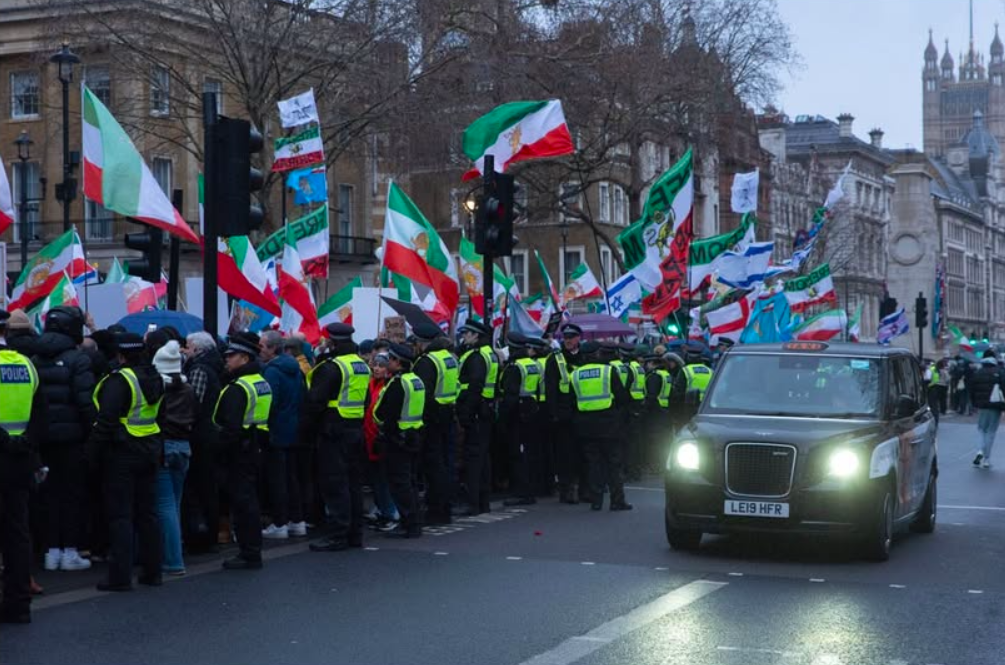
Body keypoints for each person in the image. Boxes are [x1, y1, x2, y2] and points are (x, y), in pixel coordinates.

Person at [91, 332, 165, 591]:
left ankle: (120, 576)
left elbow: (106, 420)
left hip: (121, 451)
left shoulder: (119, 380)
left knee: (121, 516)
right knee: (148, 514)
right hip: (150, 448)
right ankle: (153, 571)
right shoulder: (155, 377)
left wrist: (92, 453)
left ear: (120, 354)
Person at [33, 305, 96, 573]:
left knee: (47, 496)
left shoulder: (34, 359)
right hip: (72, 439)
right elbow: (85, 402)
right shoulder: (78, 359)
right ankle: (69, 550)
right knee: (71, 495)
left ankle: (51, 551)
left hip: (42, 439)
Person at [304, 323, 370, 552]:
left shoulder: (332, 367)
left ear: (331, 341)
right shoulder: (361, 365)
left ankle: (338, 535)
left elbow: (315, 402)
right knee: (353, 484)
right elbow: (367, 400)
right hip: (355, 430)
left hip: (333, 432)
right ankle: (354, 534)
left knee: (335, 485)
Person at [0, 310, 47, 623]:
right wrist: (24, 444)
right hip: (19, 462)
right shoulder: (27, 365)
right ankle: (18, 604)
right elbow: (41, 418)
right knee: (17, 534)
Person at [214, 332, 272, 569]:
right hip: (256, 447)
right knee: (250, 502)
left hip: (240, 451)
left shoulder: (238, 387)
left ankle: (248, 552)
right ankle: (251, 549)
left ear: (245, 358)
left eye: (232, 355)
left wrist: (219, 451)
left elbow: (230, 428)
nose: (227, 359)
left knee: (243, 503)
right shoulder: (260, 381)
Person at [152, 340, 197, 576]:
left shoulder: (159, 388)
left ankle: (172, 559)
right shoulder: (188, 388)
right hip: (183, 447)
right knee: (175, 504)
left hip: (164, 447)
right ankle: (175, 549)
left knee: (164, 505)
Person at [570, 342, 632, 512]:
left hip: (586, 426)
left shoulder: (575, 374)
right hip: (609, 424)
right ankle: (617, 501)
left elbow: (571, 401)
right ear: (597, 354)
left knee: (593, 464)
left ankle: (596, 501)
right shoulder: (608, 371)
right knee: (614, 463)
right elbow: (622, 397)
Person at [374, 343, 427, 538]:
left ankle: (410, 523)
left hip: (397, 439)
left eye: (390, 360)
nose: (387, 363)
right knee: (410, 482)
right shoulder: (416, 380)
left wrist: (384, 431)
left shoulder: (397, 384)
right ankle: (415, 521)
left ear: (397, 362)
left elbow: (384, 413)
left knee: (400, 484)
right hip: (414, 436)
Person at [259, 331, 307, 540]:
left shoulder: (271, 372)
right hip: (293, 428)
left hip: (277, 430)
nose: (259, 349)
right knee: (292, 477)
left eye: (262, 346)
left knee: (278, 479)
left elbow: (270, 402)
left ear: (273, 348)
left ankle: (280, 523)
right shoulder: (297, 370)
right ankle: (297, 521)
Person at [180, 331, 224, 553]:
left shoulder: (198, 370)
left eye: (187, 346)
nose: (184, 350)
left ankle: (201, 535)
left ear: (197, 349)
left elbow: (193, 403)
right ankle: (211, 533)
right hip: (211, 432)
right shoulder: (215, 365)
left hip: (200, 435)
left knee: (200, 486)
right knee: (209, 486)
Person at [410, 322, 458, 525]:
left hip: (432, 418)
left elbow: (423, 393)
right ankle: (445, 507)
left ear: (422, 343)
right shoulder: (450, 358)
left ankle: (436, 509)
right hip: (447, 414)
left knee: (433, 466)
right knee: (445, 463)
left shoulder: (427, 361)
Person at [455, 319, 499, 516]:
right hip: (486, 409)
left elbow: (475, 385)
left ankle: (473, 503)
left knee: (474, 459)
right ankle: (483, 501)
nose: (464, 336)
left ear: (476, 336)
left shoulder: (477, 357)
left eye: (467, 333)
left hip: (476, 410)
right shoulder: (490, 353)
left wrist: (466, 413)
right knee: (483, 458)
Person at [499, 333, 542, 506]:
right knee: (528, 452)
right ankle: (529, 489)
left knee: (518, 454)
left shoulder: (514, 367)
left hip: (517, 414)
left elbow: (510, 396)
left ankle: (522, 493)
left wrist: (502, 419)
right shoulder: (531, 364)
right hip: (530, 410)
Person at [544, 323, 583, 504]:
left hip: (583, 412)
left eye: (571, 337)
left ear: (579, 338)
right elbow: (550, 388)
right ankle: (566, 490)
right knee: (565, 454)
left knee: (582, 453)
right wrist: (553, 413)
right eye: (565, 338)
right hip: (564, 413)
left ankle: (584, 489)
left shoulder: (587, 356)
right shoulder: (555, 358)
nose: (568, 341)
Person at [363, 351, 399, 530]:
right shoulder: (370, 384)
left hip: (380, 438)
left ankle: (391, 513)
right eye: (375, 364)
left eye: (381, 365)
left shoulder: (389, 386)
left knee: (384, 479)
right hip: (368, 438)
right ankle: (383, 511)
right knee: (376, 479)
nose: (376, 368)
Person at [968, 350, 1005, 469]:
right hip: (996, 406)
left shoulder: (978, 372)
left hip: (982, 405)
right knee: (991, 432)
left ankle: (979, 451)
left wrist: (974, 404)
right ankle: (987, 459)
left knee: (981, 429)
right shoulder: (1000, 372)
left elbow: (972, 389)